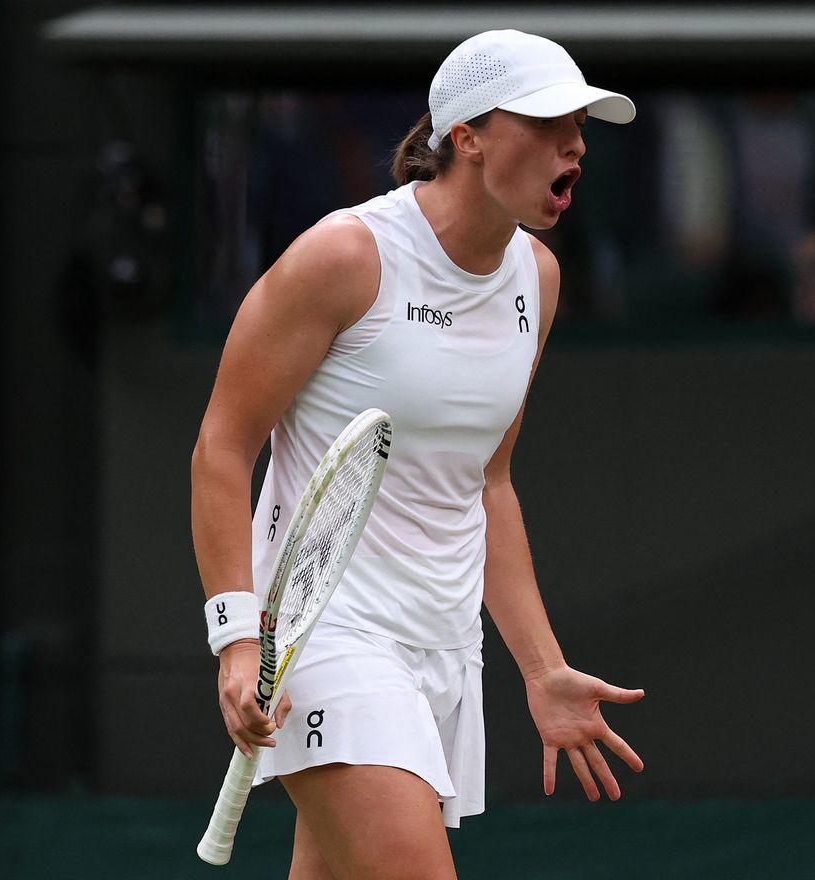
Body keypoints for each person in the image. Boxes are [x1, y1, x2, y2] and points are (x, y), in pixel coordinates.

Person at [190, 30, 645, 879]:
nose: (575, 143)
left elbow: (489, 486)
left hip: (443, 645)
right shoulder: (344, 257)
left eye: (579, 124)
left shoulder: (536, 280)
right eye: (548, 122)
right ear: (466, 136)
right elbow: (222, 447)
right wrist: (238, 642)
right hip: (328, 642)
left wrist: (541, 670)